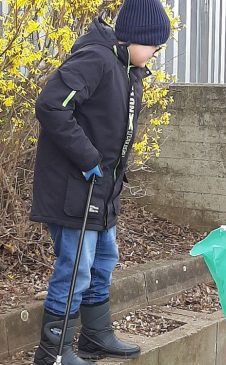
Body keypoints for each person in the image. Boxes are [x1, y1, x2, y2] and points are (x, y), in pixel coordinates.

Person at [31, 1, 171, 364]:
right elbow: (51, 105)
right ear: (134, 39)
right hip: (73, 189)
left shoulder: (128, 69)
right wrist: (88, 157)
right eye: (155, 45)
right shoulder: (96, 60)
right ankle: (53, 352)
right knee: (76, 265)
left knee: (104, 259)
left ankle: (95, 335)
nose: (156, 53)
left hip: (102, 192)